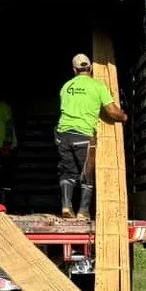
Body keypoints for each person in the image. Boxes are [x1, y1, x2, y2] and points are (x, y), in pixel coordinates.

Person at [55, 51, 126, 220]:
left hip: (62, 135)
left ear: (74, 70)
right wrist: (124, 116)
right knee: (87, 174)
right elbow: (112, 112)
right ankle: (83, 211)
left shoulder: (66, 87)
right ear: (91, 68)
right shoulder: (97, 86)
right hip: (83, 135)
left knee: (68, 172)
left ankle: (66, 206)